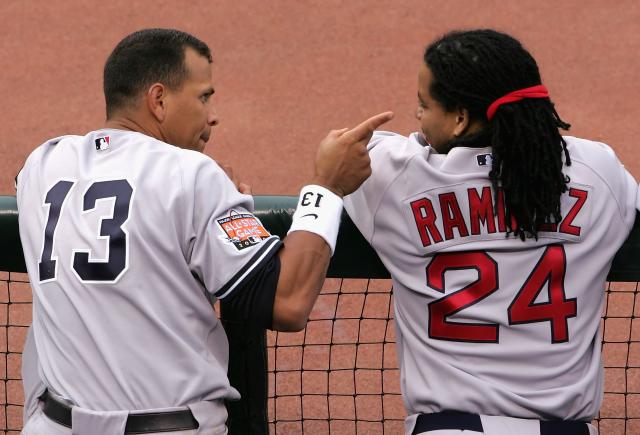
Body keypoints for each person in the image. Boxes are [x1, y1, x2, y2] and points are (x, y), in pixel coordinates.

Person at [16, 28, 392, 434]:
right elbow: (287, 301)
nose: (212, 115)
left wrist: (211, 213)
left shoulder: (42, 164)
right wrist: (327, 188)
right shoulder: (190, 174)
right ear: (158, 100)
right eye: (203, 97)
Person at [344, 29, 637, 435]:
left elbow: (354, 154)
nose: (418, 117)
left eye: (423, 105)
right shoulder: (600, 171)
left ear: (460, 118)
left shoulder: (394, 179)